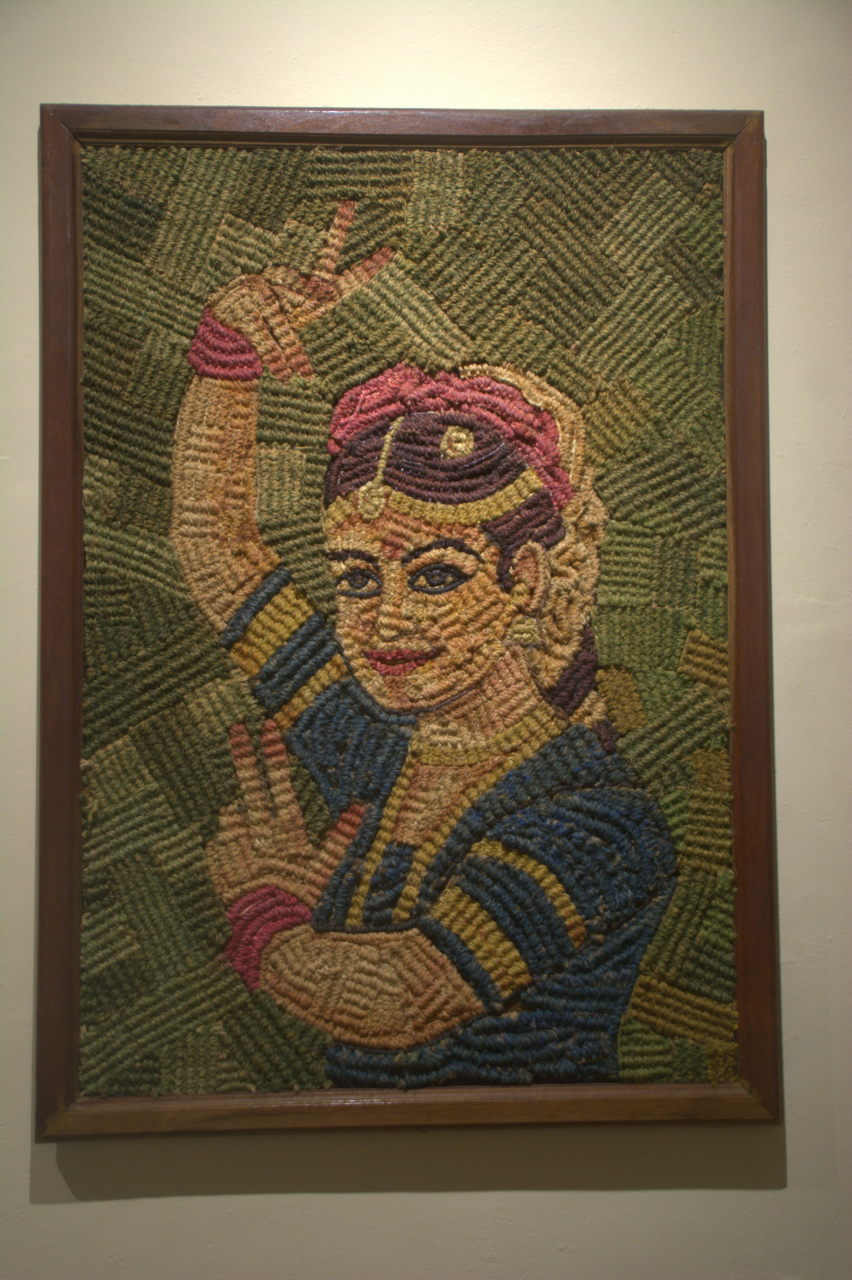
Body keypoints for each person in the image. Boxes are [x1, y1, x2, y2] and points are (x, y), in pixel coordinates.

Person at [171, 205, 676, 1086]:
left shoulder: (598, 818)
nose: (385, 621)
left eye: (437, 576)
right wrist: (228, 346)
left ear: (526, 577)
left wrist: (263, 916)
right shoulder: (376, 741)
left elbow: (399, 999)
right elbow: (215, 546)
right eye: (357, 578)